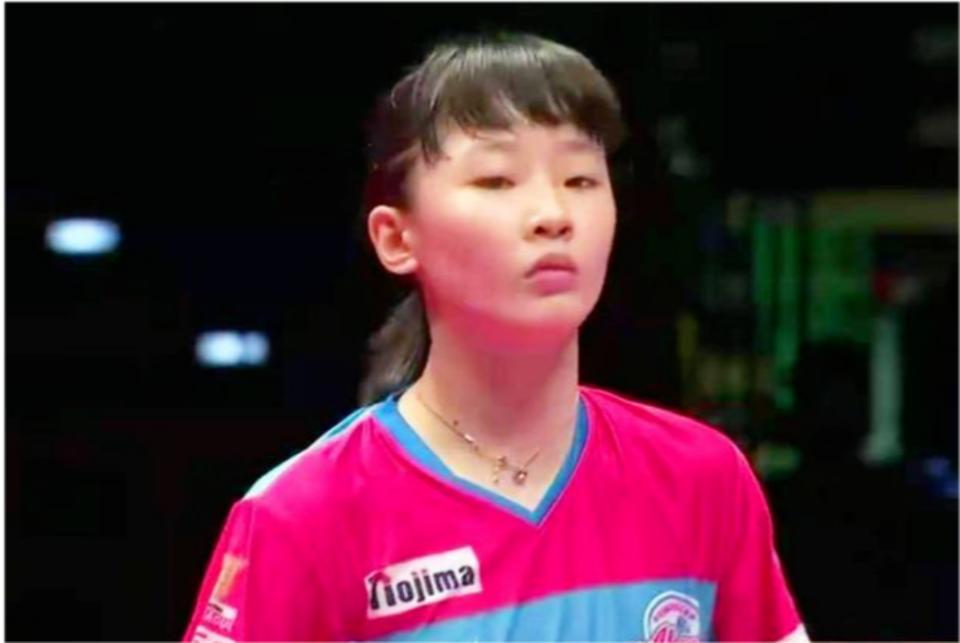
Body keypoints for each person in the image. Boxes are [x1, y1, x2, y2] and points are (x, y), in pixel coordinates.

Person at [183, 31, 807, 642]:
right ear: (396, 238)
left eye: (580, 180)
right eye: (497, 181)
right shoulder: (302, 516)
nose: (554, 215)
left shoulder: (702, 479)